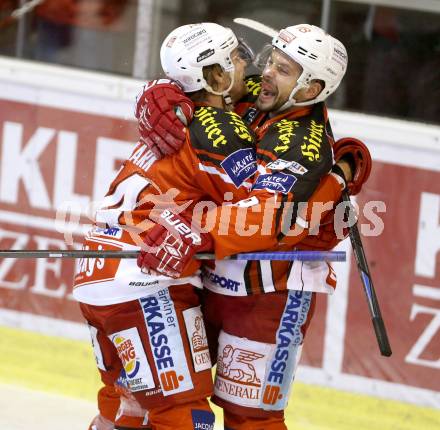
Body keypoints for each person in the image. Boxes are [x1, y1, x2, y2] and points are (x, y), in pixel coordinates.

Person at [136, 24, 371, 429]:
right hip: (216, 281)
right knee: (167, 396)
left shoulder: (304, 142)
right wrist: (158, 92)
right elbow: (204, 79)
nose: (264, 73)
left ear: (310, 90)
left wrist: (197, 229)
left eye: (282, 69)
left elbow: (269, 218)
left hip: (270, 296)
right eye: (269, 61)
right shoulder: (261, 95)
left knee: (251, 419)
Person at [73, 22, 258, 430]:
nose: (247, 64)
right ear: (215, 75)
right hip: (145, 283)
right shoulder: (218, 126)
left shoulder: (177, 113)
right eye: (236, 57)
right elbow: (261, 205)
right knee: (185, 416)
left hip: (98, 274)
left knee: (128, 406)